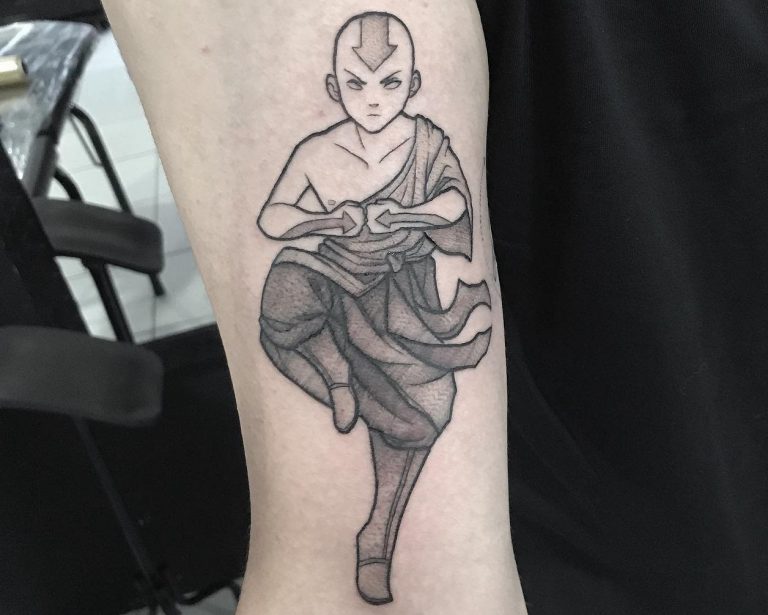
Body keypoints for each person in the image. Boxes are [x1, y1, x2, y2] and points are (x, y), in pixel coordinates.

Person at [103, 1, 527, 613]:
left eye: (389, 83)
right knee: (283, 304)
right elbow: (274, 217)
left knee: (421, 415)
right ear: (334, 88)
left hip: (399, 288)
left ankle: (378, 534)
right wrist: (326, 220)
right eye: (357, 84)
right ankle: (334, 374)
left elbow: (454, 204)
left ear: (413, 84)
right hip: (331, 269)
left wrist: (403, 215)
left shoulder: (427, 141)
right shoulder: (319, 148)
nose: (373, 100)